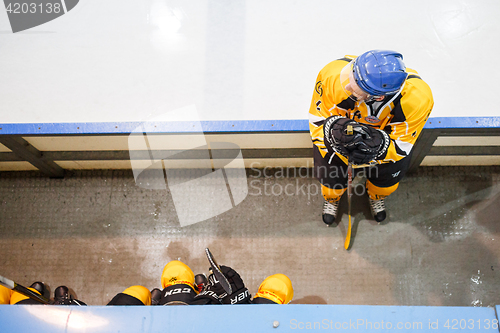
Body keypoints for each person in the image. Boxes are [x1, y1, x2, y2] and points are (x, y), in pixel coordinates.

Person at [308, 50, 433, 224]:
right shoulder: (332, 74)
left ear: (378, 96)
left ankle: (376, 196)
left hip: (384, 146)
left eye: (355, 89)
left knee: (386, 185)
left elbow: (402, 143)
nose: (346, 87)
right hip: (341, 140)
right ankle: (332, 198)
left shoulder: (418, 99)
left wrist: (378, 148)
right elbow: (318, 119)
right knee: (330, 183)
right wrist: (333, 135)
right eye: (349, 77)